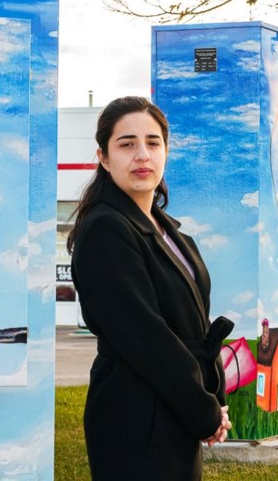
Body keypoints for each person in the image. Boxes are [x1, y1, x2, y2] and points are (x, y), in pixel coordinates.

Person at [69, 96, 234, 481]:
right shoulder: (105, 229)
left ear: (166, 151)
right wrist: (203, 411)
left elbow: (193, 327)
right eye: (126, 144)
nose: (142, 155)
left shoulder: (169, 230)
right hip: (135, 417)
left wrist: (212, 399)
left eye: (153, 142)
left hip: (172, 406)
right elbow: (146, 337)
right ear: (104, 158)